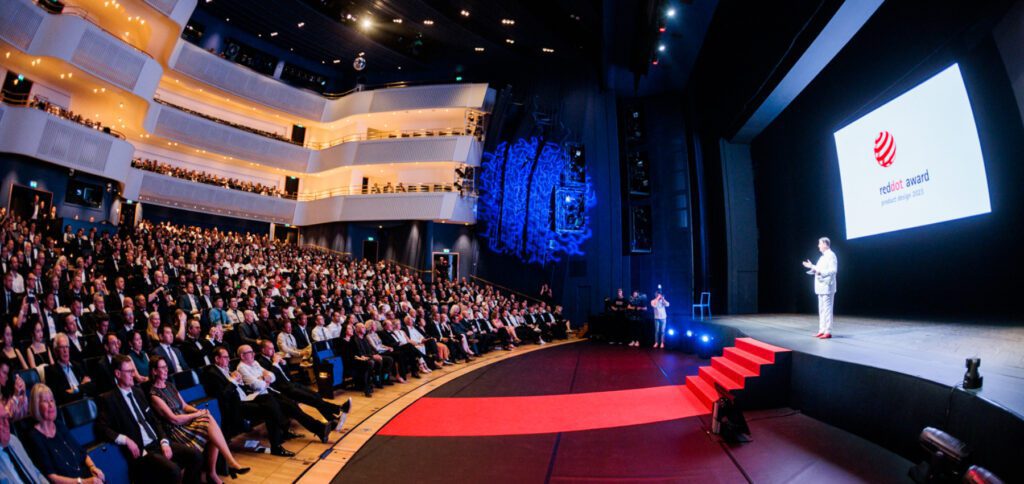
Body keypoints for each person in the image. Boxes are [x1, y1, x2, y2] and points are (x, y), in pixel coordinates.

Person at [94, 355, 202, 483]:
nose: (133, 375)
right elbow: (100, 428)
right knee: (173, 470)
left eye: (133, 371)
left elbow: (154, 420)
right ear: (118, 373)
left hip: (158, 442)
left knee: (196, 456)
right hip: (142, 451)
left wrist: (164, 442)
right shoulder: (109, 399)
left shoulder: (138, 391)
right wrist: (126, 440)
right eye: (129, 371)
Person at [147, 355, 250, 483]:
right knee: (208, 423)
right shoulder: (154, 394)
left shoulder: (169, 385)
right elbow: (174, 419)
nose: (166, 370)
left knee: (209, 423)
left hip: (187, 422)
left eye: (166, 367)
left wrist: (198, 411)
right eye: (162, 367)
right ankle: (226, 465)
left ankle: (214, 473)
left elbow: (184, 406)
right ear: (154, 371)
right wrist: (196, 415)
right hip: (177, 430)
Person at [25, 384, 106, 483]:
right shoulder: (34, 437)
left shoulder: (59, 425)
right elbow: (52, 477)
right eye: (45, 401)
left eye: (52, 400)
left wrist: (93, 467)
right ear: (36, 406)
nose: (51, 405)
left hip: (84, 476)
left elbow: (81, 452)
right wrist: (83, 482)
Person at [0, 388, 48, 484]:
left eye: (6, 418)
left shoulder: (13, 440)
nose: (6, 424)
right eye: (0, 420)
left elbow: (36, 473)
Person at [803, 236, 838, 339]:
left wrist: (820, 272)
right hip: (820, 286)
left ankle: (828, 331)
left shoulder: (831, 255)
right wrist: (811, 267)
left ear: (825, 244)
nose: (818, 246)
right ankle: (821, 329)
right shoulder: (822, 257)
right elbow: (818, 269)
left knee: (827, 309)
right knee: (822, 309)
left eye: (820, 244)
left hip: (827, 286)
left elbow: (833, 270)